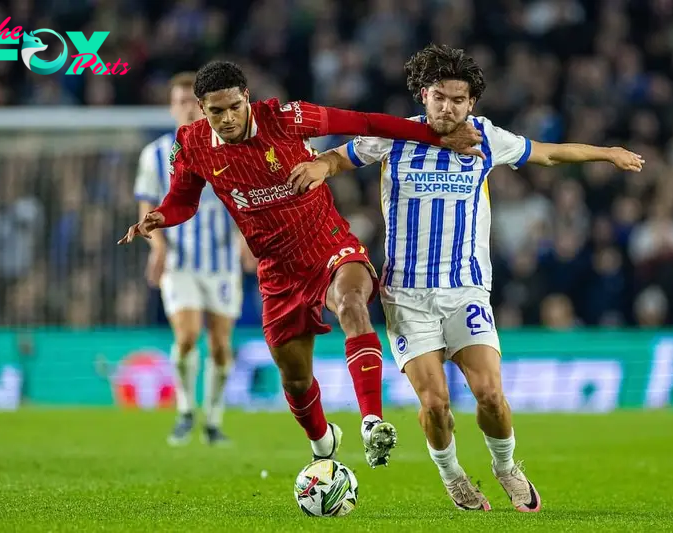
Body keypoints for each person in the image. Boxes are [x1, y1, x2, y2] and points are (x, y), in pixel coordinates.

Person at [288, 44, 644, 510]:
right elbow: (342, 156)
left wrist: (607, 153)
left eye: (458, 99)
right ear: (423, 95)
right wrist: (320, 165)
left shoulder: (486, 138)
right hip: (406, 295)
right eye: (439, 96)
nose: (447, 107)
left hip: (466, 291)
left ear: (471, 103)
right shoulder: (397, 135)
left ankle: (506, 467)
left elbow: (550, 155)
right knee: (435, 405)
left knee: (491, 396)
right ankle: (453, 474)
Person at [119, 60, 484, 467]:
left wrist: (434, 137)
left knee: (352, 304)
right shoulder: (191, 143)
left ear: (247, 100)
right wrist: (161, 216)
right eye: (215, 111)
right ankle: (324, 442)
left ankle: (372, 422)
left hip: (328, 245)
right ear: (202, 110)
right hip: (277, 270)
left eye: (234, 107)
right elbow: (184, 199)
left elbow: (363, 122)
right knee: (294, 380)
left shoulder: (286, 118)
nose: (227, 118)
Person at [133, 72, 254, 446]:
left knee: (220, 345)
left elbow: (245, 199)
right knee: (186, 337)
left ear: (202, 107)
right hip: (180, 261)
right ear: (172, 108)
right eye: (180, 101)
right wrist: (157, 247)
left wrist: (246, 241)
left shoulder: (231, 146)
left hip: (221, 262)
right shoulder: (155, 153)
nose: (187, 108)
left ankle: (213, 421)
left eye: (192, 101)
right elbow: (148, 202)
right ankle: (186, 411)